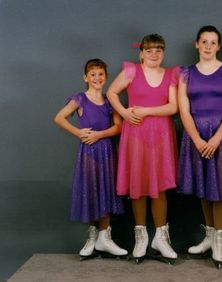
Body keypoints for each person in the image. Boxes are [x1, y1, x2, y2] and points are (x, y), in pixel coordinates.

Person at [106, 34, 178, 264]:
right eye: (149, 50)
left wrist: (146, 111)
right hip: (136, 135)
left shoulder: (170, 74)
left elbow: (173, 106)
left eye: (158, 50)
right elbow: (111, 92)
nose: (154, 54)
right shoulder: (131, 71)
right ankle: (140, 237)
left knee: (160, 186)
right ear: (141, 53)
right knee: (137, 184)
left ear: (163, 53)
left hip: (161, 135)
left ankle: (161, 237)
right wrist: (125, 112)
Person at [177, 25, 222, 269]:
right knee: (204, 186)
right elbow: (183, 109)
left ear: (219, 46)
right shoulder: (185, 73)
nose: (208, 46)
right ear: (197, 44)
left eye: (212, 42)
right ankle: (208, 235)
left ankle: (220, 241)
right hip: (195, 134)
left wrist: (216, 138)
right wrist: (196, 138)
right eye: (203, 41)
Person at [54, 58, 128, 260]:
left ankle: (106, 237)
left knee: (105, 190)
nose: (97, 78)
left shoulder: (108, 101)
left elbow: (118, 127)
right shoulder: (79, 99)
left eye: (101, 74)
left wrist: (98, 135)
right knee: (92, 191)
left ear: (106, 77)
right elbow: (59, 118)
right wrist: (79, 133)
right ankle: (92, 237)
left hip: (105, 151)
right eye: (93, 74)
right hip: (88, 154)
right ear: (85, 77)